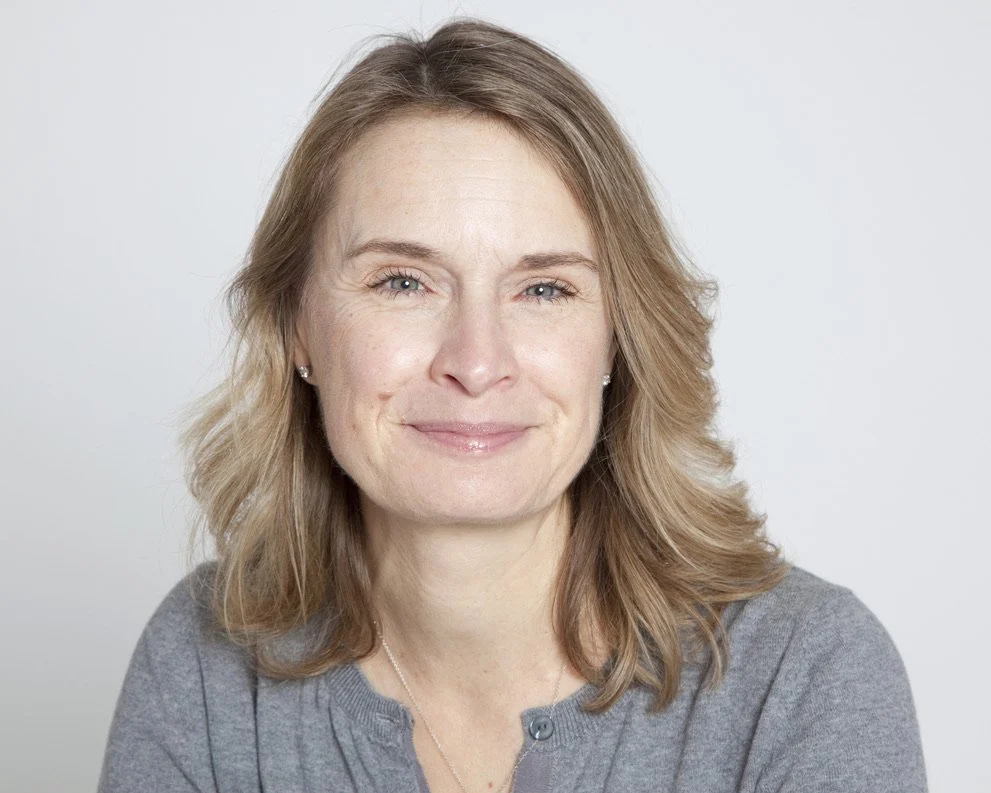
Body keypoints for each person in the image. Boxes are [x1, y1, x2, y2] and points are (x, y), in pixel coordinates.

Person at [98, 18, 927, 793]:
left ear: (616, 337)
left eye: (543, 288)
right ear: (297, 330)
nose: (476, 361)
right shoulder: (204, 663)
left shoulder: (802, 671)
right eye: (402, 281)